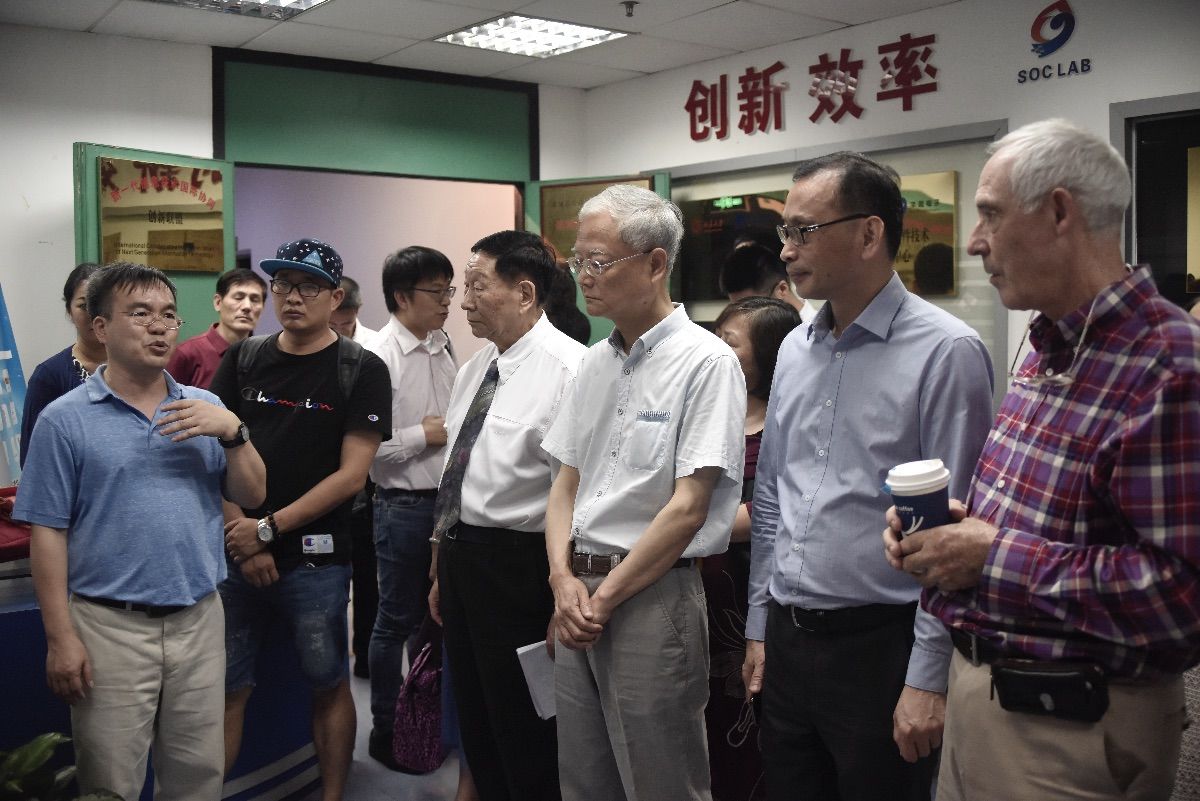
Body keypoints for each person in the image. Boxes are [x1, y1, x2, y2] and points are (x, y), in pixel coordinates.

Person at [884, 118, 1200, 801]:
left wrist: (992, 557)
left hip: (1071, 724)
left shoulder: (1169, 366)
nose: (974, 242)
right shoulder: (1048, 346)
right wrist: (948, 536)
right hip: (984, 695)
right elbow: (1048, 524)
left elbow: (1181, 597)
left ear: (1059, 212)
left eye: (991, 214)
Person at [742, 151, 994, 801]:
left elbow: (953, 537)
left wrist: (927, 675)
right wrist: (759, 625)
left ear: (869, 233)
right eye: (785, 231)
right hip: (788, 638)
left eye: (805, 230)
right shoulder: (794, 347)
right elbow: (770, 498)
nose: (787, 250)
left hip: (882, 646)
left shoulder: (946, 351)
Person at [14, 262, 266, 801]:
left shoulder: (206, 408)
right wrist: (60, 638)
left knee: (198, 775)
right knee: (110, 781)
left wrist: (234, 433)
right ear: (100, 327)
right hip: (108, 626)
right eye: (140, 313)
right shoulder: (64, 420)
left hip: (199, 618)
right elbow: (48, 534)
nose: (159, 326)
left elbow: (252, 496)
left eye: (169, 315)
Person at [542, 184, 747, 801]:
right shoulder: (593, 363)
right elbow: (566, 482)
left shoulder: (706, 362)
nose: (584, 276)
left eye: (599, 261)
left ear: (656, 264)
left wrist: (603, 600)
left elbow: (689, 507)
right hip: (577, 590)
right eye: (578, 260)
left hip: (652, 596)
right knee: (584, 780)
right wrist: (562, 580)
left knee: (661, 782)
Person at [214, 238, 392, 801]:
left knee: (328, 682)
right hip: (237, 555)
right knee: (227, 689)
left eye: (309, 286)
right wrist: (242, 537)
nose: (292, 297)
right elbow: (211, 453)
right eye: (283, 285)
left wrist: (267, 531)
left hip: (316, 561)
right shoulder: (243, 359)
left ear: (335, 297)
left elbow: (352, 475)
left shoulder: (360, 369)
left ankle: (332, 794)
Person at [428, 230, 585, 801]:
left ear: (524, 293)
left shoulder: (572, 370)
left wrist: (562, 590)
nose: (464, 302)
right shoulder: (477, 368)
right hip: (463, 558)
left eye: (476, 287)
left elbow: (579, 496)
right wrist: (441, 565)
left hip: (523, 570)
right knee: (477, 719)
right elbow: (458, 472)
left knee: (527, 726)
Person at [362, 245, 457, 767]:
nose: (447, 301)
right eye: (436, 291)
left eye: (449, 290)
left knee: (432, 619)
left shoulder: (443, 345)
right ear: (402, 297)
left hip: (446, 507)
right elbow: (365, 450)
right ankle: (384, 730)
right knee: (393, 621)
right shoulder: (378, 356)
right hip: (401, 505)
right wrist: (423, 436)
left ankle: (421, 727)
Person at [705, 297, 799, 801]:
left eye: (730, 342)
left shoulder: (783, 420)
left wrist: (681, 526)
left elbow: (769, 511)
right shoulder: (705, 413)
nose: (716, 350)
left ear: (768, 355)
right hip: (695, 586)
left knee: (749, 719)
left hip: (749, 588)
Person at [331, 274, 380, 679]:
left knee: (367, 577)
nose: (339, 327)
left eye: (345, 320)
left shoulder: (374, 349)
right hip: (325, 471)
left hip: (368, 479)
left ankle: (363, 656)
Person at [19, 262, 106, 466]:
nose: (93, 314)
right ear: (69, 311)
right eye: (83, 305)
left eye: (101, 303)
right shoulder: (48, 375)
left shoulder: (135, 368)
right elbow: (32, 456)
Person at [166, 267, 266, 389]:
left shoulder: (263, 356)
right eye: (238, 297)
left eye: (255, 300)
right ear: (218, 302)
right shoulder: (187, 353)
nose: (247, 306)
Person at [719, 241, 818, 325]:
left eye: (751, 308)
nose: (744, 318)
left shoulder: (817, 333)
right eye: (737, 309)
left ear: (782, 289)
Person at [329, 275, 379, 345]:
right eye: (331, 324)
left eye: (346, 324)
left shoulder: (378, 344)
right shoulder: (312, 343)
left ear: (357, 310)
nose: (339, 331)